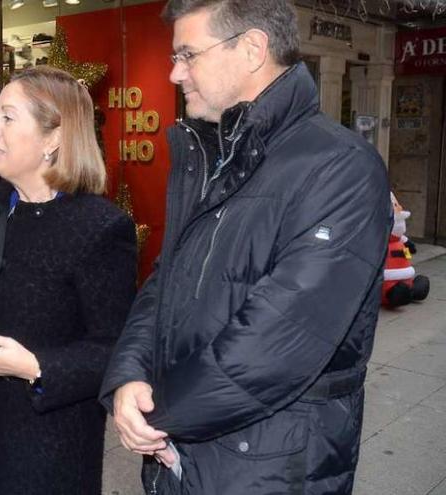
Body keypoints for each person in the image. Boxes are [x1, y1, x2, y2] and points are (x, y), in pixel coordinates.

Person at [99, 1, 392, 493]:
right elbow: (163, 283)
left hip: (267, 465)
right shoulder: (212, 154)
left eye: (188, 54)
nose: (174, 74)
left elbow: (279, 340)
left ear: (253, 49)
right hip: (184, 451)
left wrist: (158, 412)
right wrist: (128, 378)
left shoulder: (341, 168)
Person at [0, 66, 137, 495]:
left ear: (53, 138)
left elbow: (114, 349)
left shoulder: (100, 228)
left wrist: (36, 367)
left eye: (8, 117)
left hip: (47, 450)